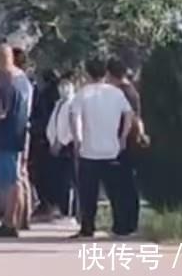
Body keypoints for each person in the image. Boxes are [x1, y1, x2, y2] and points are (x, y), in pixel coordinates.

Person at [70, 58, 134, 238]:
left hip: (89, 151)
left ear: (87, 74)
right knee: (116, 192)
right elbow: (129, 114)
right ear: (105, 73)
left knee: (88, 193)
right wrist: (123, 136)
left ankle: (88, 226)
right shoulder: (116, 93)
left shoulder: (83, 94)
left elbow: (75, 118)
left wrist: (78, 139)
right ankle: (120, 226)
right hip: (112, 150)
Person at [0, 45, 34, 238]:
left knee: (8, 182)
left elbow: (0, 112)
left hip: (4, 136)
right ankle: (18, 219)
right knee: (16, 179)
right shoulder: (23, 81)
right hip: (18, 135)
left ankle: (9, 221)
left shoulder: (6, 82)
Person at [107, 57, 147, 236]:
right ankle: (128, 222)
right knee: (128, 184)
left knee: (120, 185)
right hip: (130, 142)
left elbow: (129, 118)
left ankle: (123, 224)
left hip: (123, 143)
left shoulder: (121, 93)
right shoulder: (131, 91)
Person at [30, 69, 61, 219]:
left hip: (43, 138)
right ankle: (50, 204)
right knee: (51, 174)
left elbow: (43, 117)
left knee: (42, 174)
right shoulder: (56, 94)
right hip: (52, 138)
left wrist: (33, 127)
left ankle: (47, 204)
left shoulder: (46, 95)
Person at [46, 70, 78, 218]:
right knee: (58, 179)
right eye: (62, 85)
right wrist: (52, 141)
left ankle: (68, 210)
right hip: (55, 146)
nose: (63, 88)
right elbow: (52, 125)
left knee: (68, 180)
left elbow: (73, 127)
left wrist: (61, 142)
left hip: (67, 146)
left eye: (67, 84)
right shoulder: (59, 103)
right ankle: (58, 206)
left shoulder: (73, 103)